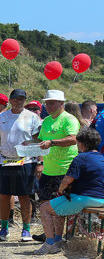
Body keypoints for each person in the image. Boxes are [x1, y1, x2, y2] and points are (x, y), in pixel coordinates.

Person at [36, 127, 104, 254]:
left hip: (84, 199)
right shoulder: (102, 158)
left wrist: (60, 191)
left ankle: (49, 243)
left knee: (44, 208)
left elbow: (67, 180)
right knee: (57, 208)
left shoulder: (81, 158)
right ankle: (57, 240)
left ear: (82, 144)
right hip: (101, 200)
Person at [0, 89, 41, 242]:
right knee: (4, 195)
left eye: (22, 99)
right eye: (16, 99)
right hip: (5, 160)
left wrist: (40, 162)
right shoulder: (2, 117)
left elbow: (38, 140)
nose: (19, 101)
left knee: (25, 196)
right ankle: (4, 228)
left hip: (26, 161)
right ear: (11, 100)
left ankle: (26, 230)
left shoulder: (32, 117)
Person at [35, 90, 80, 247]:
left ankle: (58, 239)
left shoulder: (69, 119)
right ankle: (50, 237)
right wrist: (40, 162)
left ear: (62, 104)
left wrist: (52, 142)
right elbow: (41, 142)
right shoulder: (47, 121)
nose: (48, 106)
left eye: (52, 103)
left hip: (64, 170)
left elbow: (73, 139)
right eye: (47, 103)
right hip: (48, 170)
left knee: (58, 207)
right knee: (45, 204)